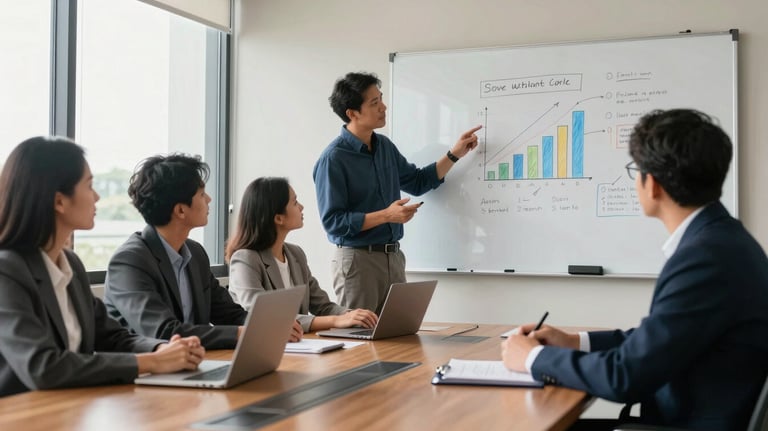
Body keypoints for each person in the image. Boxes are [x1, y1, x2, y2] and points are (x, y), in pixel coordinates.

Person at [501, 109, 768, 431]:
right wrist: (574, 341)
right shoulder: (722, 241)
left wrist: (531, 359)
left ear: (651, 184)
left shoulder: (706, 258)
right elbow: (660, 338)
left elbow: (625, 377)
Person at [0, 137, 204, 397]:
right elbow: (43, 366)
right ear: (59, 201)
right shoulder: (6, 271)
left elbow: (113, 338)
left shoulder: (70, 263)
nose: (96, 197)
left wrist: (163, 349)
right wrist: (150, 363)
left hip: (72, 407)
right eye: (89, 185)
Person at [313, 71, 482, 313]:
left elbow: (417, 182)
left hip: (393, 257)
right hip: (358, 262)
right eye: (374, 103)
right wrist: (387, 216)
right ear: (352, 113)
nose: (383, 107)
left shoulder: (384, 146)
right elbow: (333, 222)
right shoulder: (334, 159)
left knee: (397, 337)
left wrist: (455, 153)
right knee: (357, 342)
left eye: (380, 99)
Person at [104, 154, 302, 348]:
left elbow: (228, 313)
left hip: (194, 364)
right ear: (181, 210)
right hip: (146, 373)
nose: (209, 199)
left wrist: (269, 325)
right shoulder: (130, 261)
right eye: (201, 194)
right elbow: (164, 332)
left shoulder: (195, 253)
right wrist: (248, 332)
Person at [226, 177, 378, 333]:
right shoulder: (245, 259)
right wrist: (336, 320)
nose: (301, 207)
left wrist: (352, 315)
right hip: (262, 347)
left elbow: (322, 306)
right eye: (295, 202)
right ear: (278, 218)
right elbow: (264, 315)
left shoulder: (295, 254)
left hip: (297, 344)